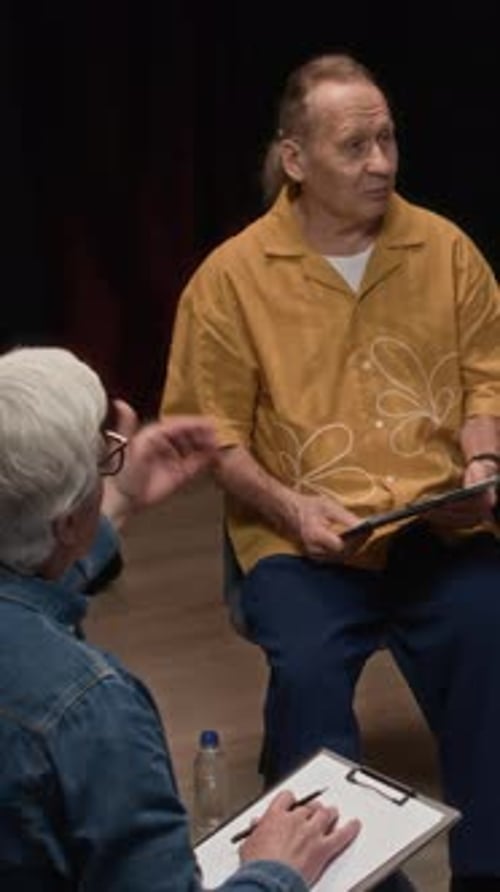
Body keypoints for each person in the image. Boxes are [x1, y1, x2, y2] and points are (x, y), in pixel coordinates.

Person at [162, 54, 500, 891]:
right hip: (304, 540)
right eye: (354, 146)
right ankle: (341, 882)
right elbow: (213, 437)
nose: (381, 162)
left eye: (388, 139)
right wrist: (291, 508)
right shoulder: (231, 279)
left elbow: (485, 379)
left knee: (490, 636)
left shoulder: (446, 250)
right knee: (309, 677)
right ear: (295, 159)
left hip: (434, 525)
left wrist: (482, 463)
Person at [0, 345, 360, 891]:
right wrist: (275, 870)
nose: (112, 462)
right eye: (104, 460)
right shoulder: (93, 711)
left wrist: (118, 497)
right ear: (67, 523)